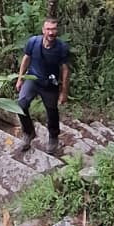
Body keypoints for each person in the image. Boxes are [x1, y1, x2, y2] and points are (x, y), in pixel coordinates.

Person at [14, 18, 71, 154]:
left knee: (51, 111)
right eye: (48, 29)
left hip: (49, 83)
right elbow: (26, 58)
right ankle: (28, 133)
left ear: (57, 31)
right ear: (43, 30)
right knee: (21, 105)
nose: (51, 32)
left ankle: (53, 136)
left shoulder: (62, 47)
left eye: (54, 29)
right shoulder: (33, 42)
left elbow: (65, 69)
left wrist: (64, 92)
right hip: (32, 78)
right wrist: (20, 78)